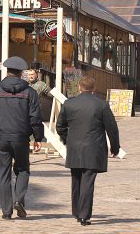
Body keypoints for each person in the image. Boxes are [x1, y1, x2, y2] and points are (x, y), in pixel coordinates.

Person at [0, 56, 44, 220]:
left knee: (3, 174)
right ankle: (19, 199)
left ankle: (6, 212)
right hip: (21, 138)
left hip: (1, 138)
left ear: (6, 71)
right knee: (23, 169)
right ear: (22, 73)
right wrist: (38, 137)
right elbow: (35, 117)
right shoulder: (30, 92)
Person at [56, 76, 120, 226]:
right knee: (87, 181)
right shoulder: (101, 105)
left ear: (79, 88)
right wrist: (115, 147)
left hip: (74, 148)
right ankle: (84, 215)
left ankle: (77, 212)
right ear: (94, 88)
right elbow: (112, 129)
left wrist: (66, 139)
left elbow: (60, 126)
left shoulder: (69, 103)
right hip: (94, 147)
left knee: (76, 180)